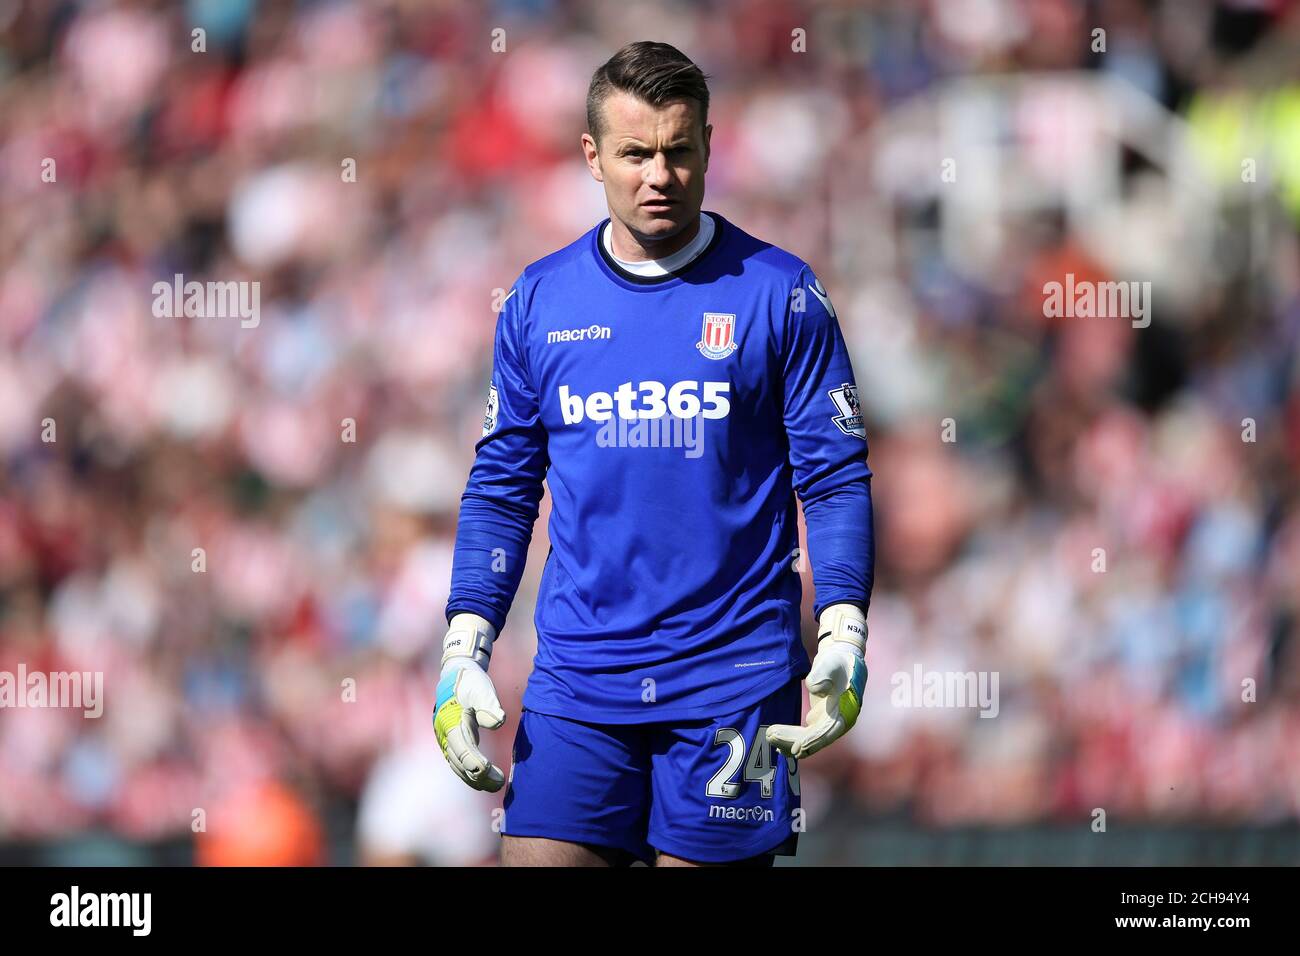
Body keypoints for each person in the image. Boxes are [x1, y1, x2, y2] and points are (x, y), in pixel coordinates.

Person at [434, 40, 875, 867]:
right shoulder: (539, 300)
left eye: (679, 150)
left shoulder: (780, 293)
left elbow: (835, 474)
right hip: (579, 677)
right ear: (592, 158)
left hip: (733, 680)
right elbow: (500, 486)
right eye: (635, 153)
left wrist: (844, 628)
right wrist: (465, 647)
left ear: (710, 145)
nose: (659, 175)